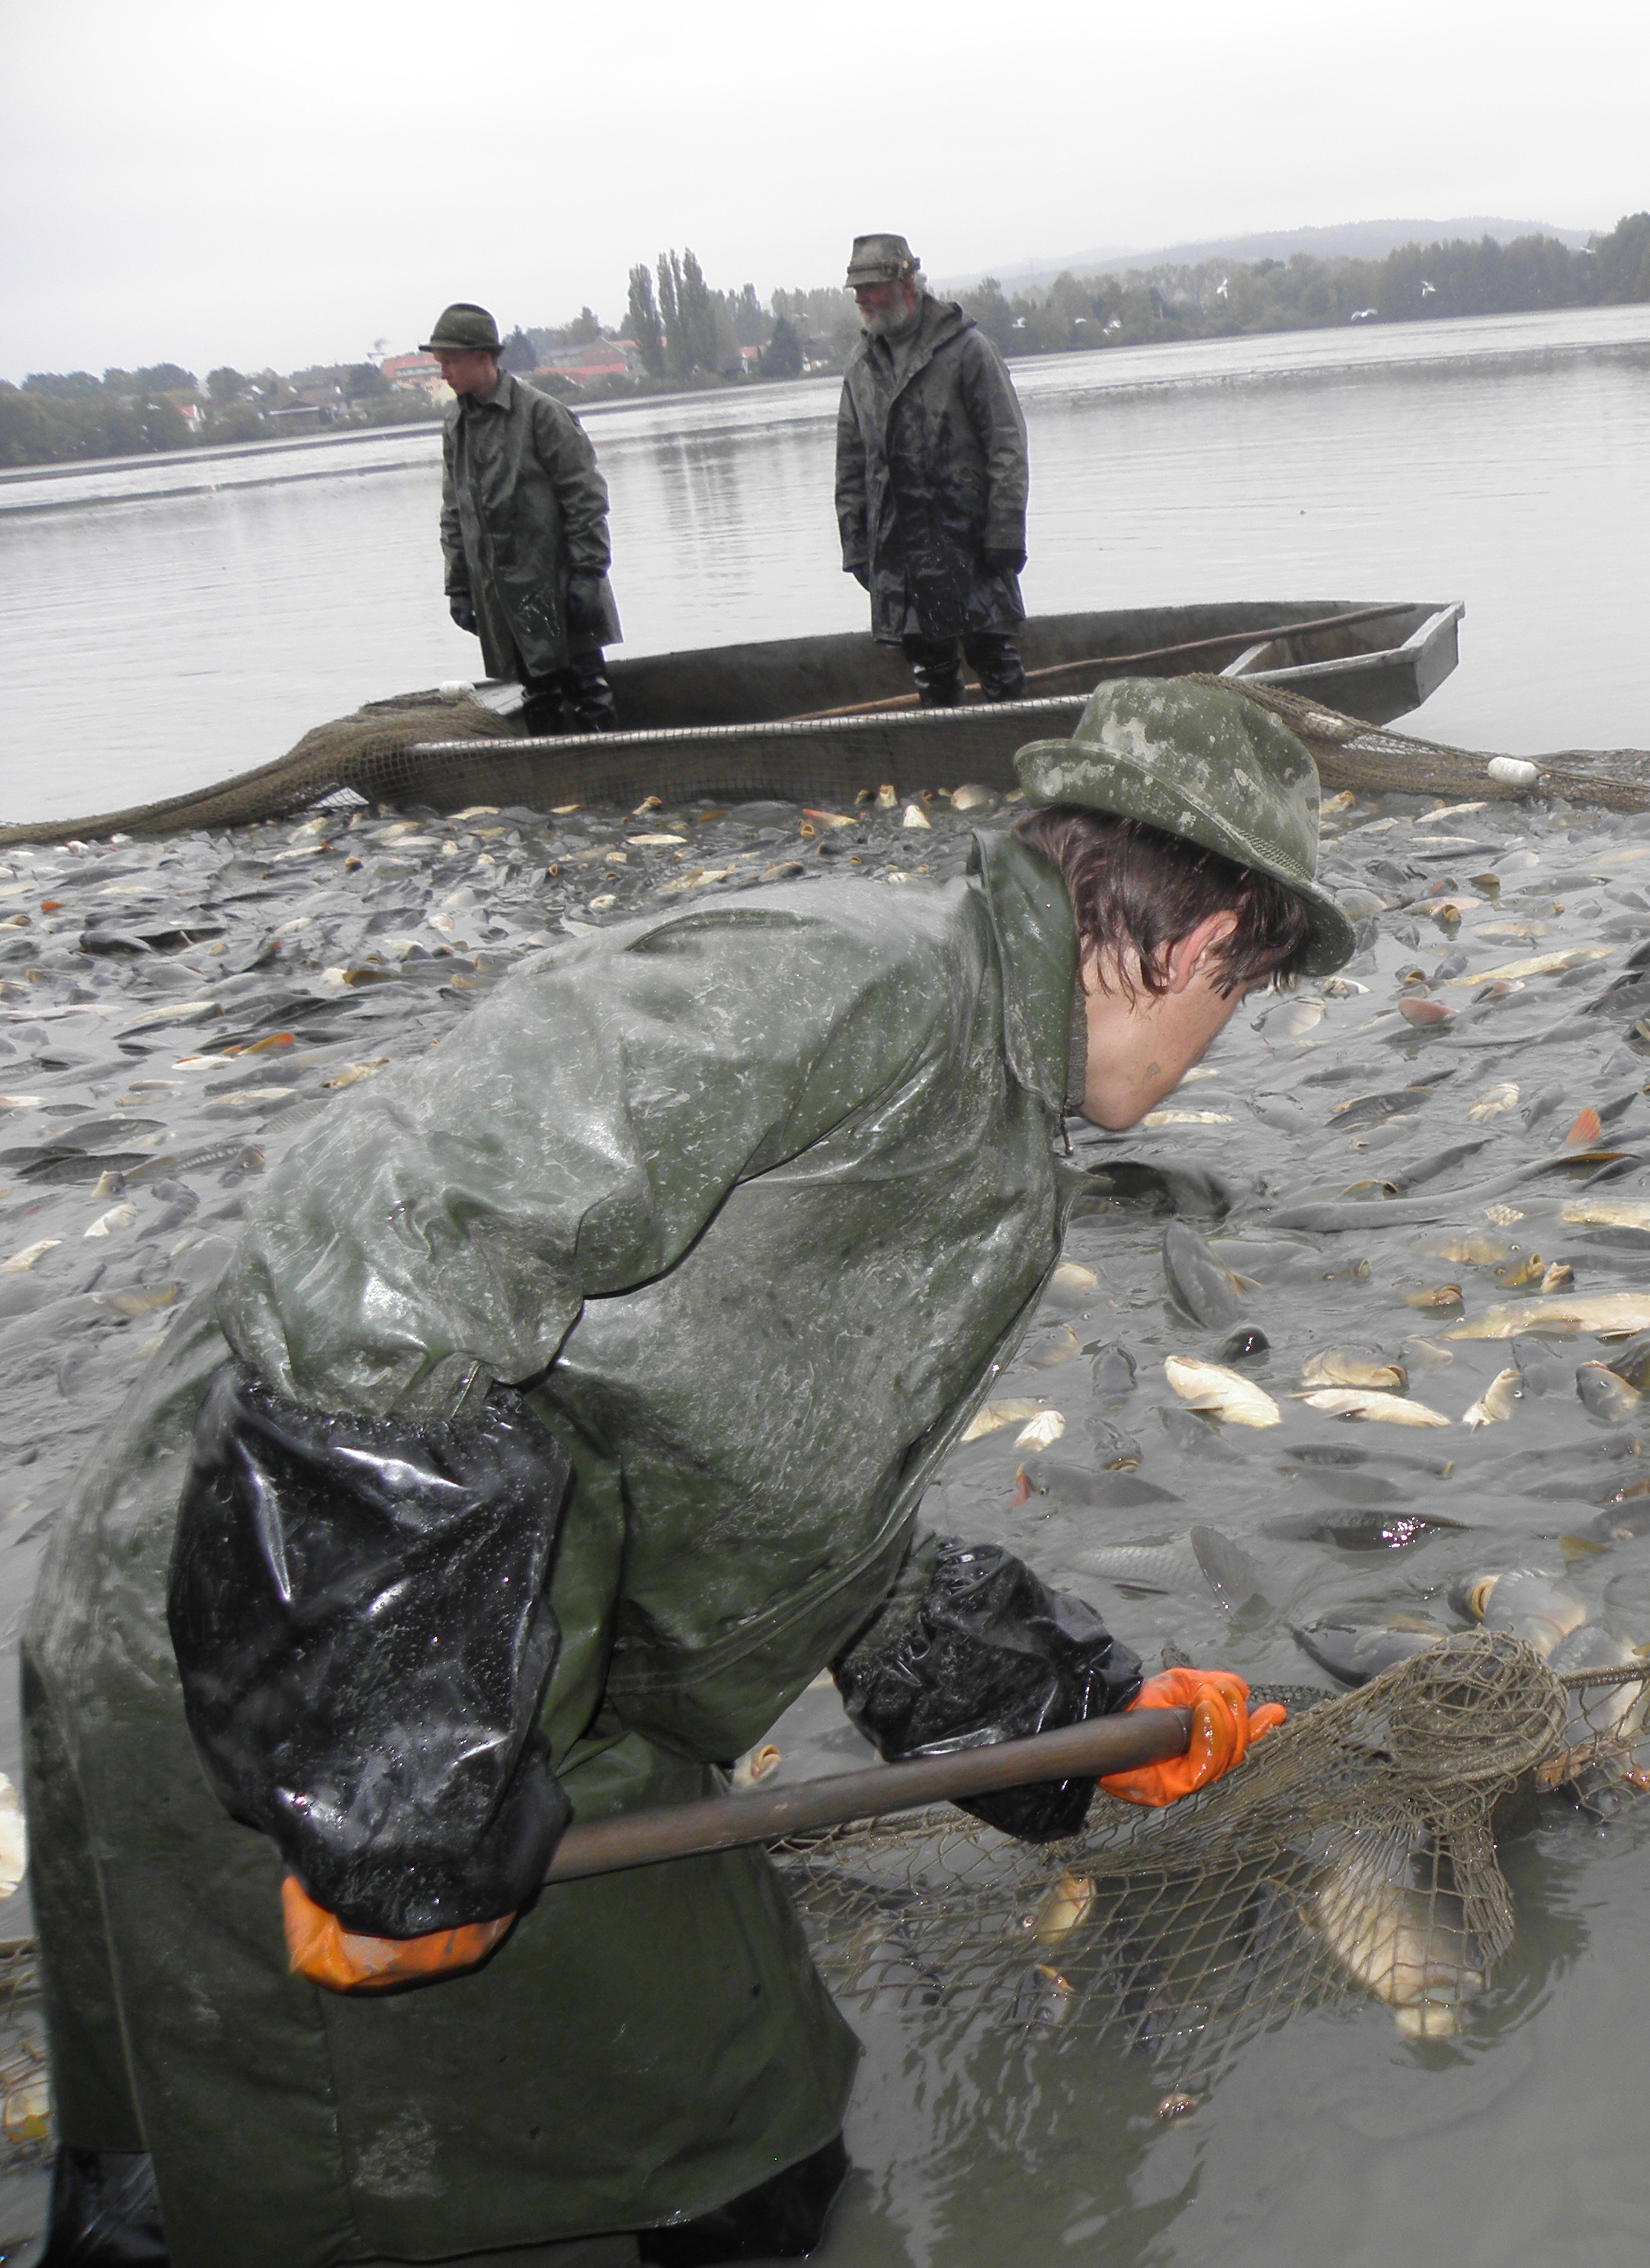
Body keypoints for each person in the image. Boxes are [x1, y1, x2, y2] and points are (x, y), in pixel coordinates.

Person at [21, 678, 1357, 2264]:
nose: (1216, 1045)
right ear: (1209, 949)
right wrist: (387, 1772)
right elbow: (377, 1239)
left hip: (515, 1673)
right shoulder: (848, 983)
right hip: (264, 1654)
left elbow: (800, 1512)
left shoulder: (975, 1097)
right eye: (1245, 996)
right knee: (259, 2183)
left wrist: (1069, 1721)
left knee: (753, 2138)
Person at [833, 234, 1030, 708]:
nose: (860, 298)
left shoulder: (969, 351)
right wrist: (858, 547)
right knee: (930, 671)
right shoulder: (860, 366)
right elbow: (850, 467)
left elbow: (1008, 446)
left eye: (870, 287)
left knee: (994, 657)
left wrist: (1005, 532)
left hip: (970, 541)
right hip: (898, 550)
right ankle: (948, 772)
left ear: (906, 284)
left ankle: (1017, 757)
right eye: (855, 289)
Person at [429, 301, 623, 737]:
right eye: (440, 363)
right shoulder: (455, 424)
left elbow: (586, 497)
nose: (444, 373)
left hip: (559, 582)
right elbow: (454, 514)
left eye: (451, 361)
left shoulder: (542, 413)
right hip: (501, 596)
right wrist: (459, 586)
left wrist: (588, 572)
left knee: (587, 689)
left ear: (483, 357)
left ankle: (611, 778)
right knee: (536, 696)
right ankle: (554, 785)